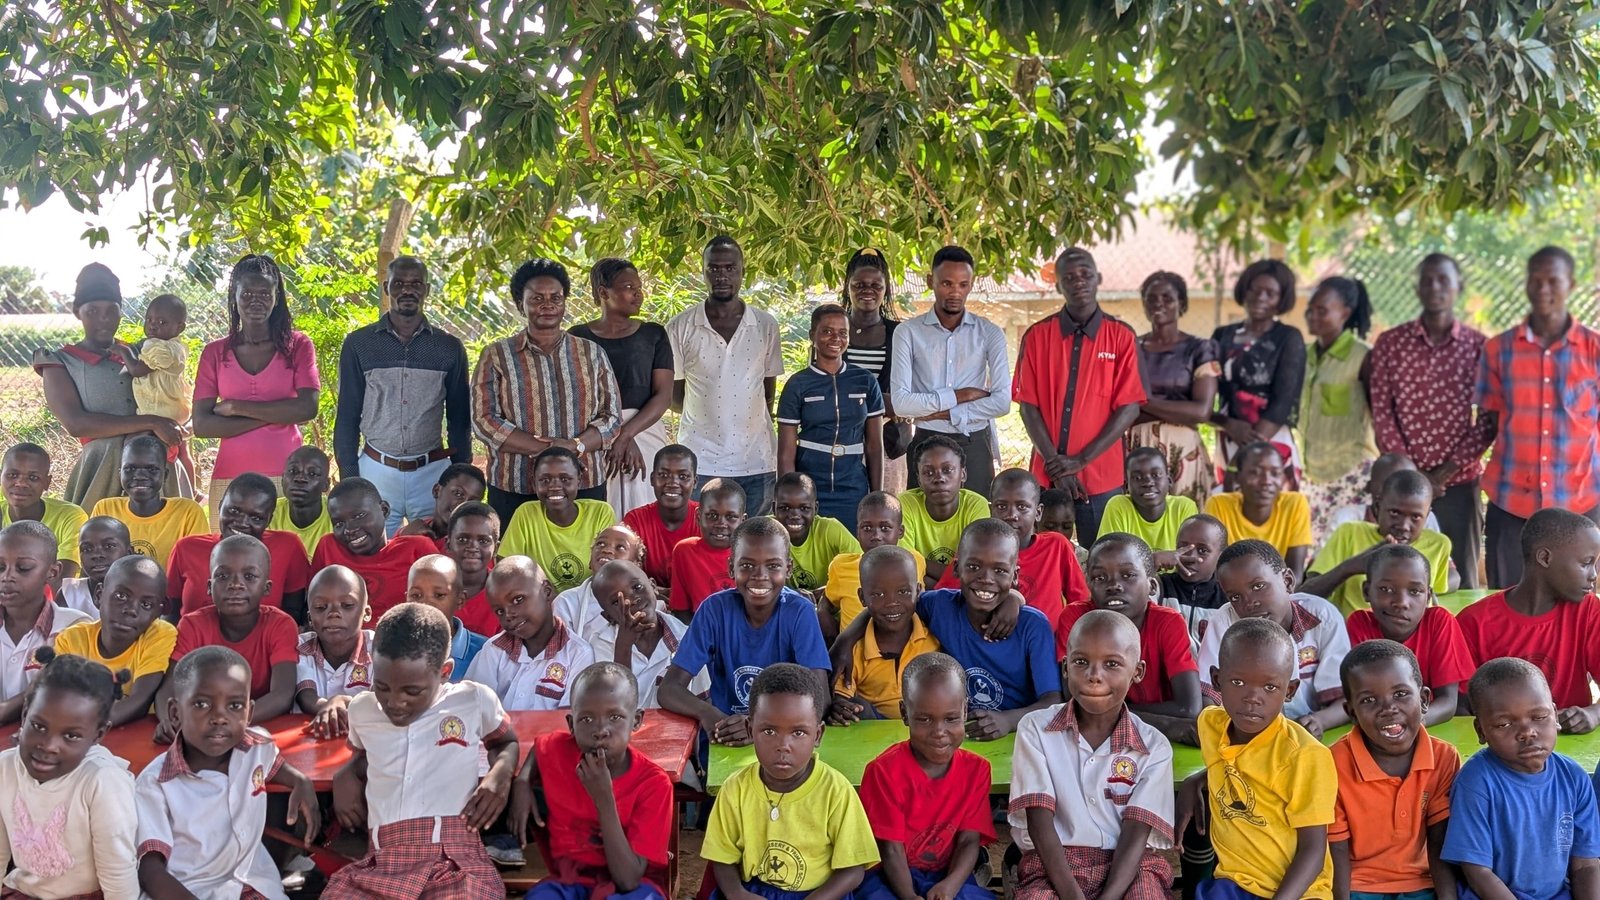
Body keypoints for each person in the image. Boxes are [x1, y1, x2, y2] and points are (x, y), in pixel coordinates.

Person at [326, 603, 520, 900]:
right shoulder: (363, 709)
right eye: (382, 687)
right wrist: (346, 773)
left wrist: (501, 775)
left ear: (444, 672)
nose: (395, 702)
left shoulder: (472, 700)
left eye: (411, 691)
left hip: (453, 859)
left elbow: (506, 742)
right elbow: (365, 756)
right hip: (381, 863)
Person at [841, 519, 1061, 741]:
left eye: (1000, 570)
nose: (986, 579)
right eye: (974, 567)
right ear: (956, 567)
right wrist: (845, 641)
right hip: (954, 739)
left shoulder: (1032, 627)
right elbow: (893, 605)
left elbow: (1053, 702)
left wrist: (1008, 720)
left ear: (1015, 576)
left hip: (1016, 739)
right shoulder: (940, 606)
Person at [1010, 610, 1176, 899]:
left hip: (1130, 867)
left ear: (1137, 671)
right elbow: (1039, 820)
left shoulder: (1153, 747)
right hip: (1055, 864)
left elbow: (1136, 831)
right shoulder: (1036, 729)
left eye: (1112, 664)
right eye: (1081, 662)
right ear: (1065, 667)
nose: (1094, 676)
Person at [135, 645, 319, 900]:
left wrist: (300, 781)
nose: (220, 717)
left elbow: (273, 765)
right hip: (188, 890)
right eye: (201, 704)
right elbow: (150, 870)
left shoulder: (256, 747)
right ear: (175, 713)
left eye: (234, 705)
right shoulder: (155, 784)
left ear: (249, 713)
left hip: (253, 883)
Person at [1177, 618, 1336, 900]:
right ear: (1216, 680)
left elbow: (1312, 850)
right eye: (1238, 682)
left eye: (1270, 688)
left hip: (1299, 891)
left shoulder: (1304, 756)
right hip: (1235, 882)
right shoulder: (1211, 725)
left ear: (1290, 690)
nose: (1252, 698)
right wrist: (1196, 780)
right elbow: (1237, 763)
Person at [1369, 253, 1495, 590]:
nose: (1435, 287)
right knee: (1395, 570)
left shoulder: (1479, 347)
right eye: (1427, 280)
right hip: (1402, 489)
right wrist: (1412, 474)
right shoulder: (1391, 344)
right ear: (1417, 287)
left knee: (1461, 577)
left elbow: (1487, 421)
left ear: (1459, 287)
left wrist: (1443, 473)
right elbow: (1382, 411)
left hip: (1457, 483)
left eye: (1443, 280)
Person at [702, 663, 879, 900]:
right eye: (769, 731)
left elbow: (853, 869)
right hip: (754, 892)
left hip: (820, 895)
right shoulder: (735, 789)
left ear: (818, 735)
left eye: (798, 733)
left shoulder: (836, 791)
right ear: (749, 728)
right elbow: (722, 857)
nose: (783, 745)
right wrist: (736, 894)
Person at [1478, 246, 1600, 587]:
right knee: (1506, 603)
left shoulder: (1595, 350)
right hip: (1511, 503)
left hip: (1581, 504)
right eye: (1536, 280)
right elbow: (1489, 421)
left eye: (1553, 280)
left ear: (1571, 284)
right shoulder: (1498, 350)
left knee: (1579, 613)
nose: (1543, 289)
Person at [473, 257, 623, 521]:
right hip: (516, 484)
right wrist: (543, 449)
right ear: (521, 304)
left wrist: (574, 446)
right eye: (537, 299)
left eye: (556, 298)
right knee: (516, 561)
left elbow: (611, 417)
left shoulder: (591, 353)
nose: (548, 306)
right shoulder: (496, 355)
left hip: (583, 482)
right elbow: (484, 420)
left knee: (583, 559)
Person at [512, 662, 676, 900]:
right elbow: (542, 747)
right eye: (586, 720)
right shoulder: (561, 751)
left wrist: (604, 799)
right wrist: (523, 781)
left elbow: (628, 880)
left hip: (633, 888)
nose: (601, 730)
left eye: (615, 717)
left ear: (637, 720)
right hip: (569, 882)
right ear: (571, 725)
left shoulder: (653, 784)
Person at [1015, 248, 1147, 544]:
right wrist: (1056, 464)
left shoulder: (1122, 336)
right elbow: (1028, 407)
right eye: (1069, 277)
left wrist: (1080, 461)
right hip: (1046, 476)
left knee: (1103, 557)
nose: (1079, 282)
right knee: (1042, 557)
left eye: (1086, 274)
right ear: (1059, 285)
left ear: (1098, 278)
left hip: (1102, 478)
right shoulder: (1037, 336)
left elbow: (1129, 408)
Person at [659, 518, 832, 741]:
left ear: (788, 568)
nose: (760, 576)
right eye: (747, 565)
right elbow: (669, 689)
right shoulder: (714, 610)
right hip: (726, 735)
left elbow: (821, 698)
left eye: (773, 566)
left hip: (782, 737)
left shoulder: (800, 613)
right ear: (731, 567)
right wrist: (709, 714)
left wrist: (758, 725)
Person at [334, 256, 473, 534]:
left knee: (436, 551)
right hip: (376, 469)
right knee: (374, 554)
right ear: (387, 288)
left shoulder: (449, 347)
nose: (407, 290)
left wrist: (460, 475)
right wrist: (350, 476)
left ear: (427, 290)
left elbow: (459, 419)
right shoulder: (359, 344)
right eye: (399, 283)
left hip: (431, 472)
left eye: (415, 284)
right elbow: (348, 414)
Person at [33, 262, 187, 509]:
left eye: (111, 310)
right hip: (102, 468)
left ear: (121, 311)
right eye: (92, 311)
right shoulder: (61, 361)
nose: (103, 319)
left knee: (164, 538)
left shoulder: (143, 353)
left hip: (155, 466)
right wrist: (151, 422)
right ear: (76, 311)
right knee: (99, 541)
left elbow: (172, 396)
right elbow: (76, 423)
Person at [1444, 658, 1600, 899]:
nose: (1527, 732)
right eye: (1504, 723)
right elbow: (1477, 871)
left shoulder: (1574, 777)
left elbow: (1586, 864)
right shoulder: (1476, 782)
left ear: (1555, 716)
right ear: (1481, 731)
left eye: (1539, 717)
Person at [193, 253, 321, 523]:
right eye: (247, 292)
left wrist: (236, 408)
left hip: (287, 476)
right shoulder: (215, 352)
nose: (256, 300)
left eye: (264, 292)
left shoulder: (298, 345)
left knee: (285, 556)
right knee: (229, 559)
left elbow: (308, 408)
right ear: (234, 295)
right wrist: (279, 413)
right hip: (230, 475)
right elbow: (203, 425)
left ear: (277, 297)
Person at [2, 649, 139, 900]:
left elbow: (118, 871)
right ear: (24, 715)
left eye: (71, 736)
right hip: (23, 891)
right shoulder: (5, 768)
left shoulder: (102, 782)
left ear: (98, 735)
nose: (49, 745)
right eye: (38, 726)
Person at [1329, 640, 1461, 899]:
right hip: (1358, 886)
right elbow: (1338, 851)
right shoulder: (1334, 762)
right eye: (1369, 700)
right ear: (1351, 712)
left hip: (1423, 884)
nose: (1388, 708)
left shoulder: (1443, 757)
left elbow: (1439, 843)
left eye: (1400, 694)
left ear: (1424, 700)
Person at [856, 653, 994, 900]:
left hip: (945, 873)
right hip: (889, 875)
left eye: (951, 718)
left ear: (965, 710)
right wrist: (909, 896)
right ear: (905, 713)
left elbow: (968, 841)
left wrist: (950, 886)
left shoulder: (977, 770)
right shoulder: (883, 772)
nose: (939, 732)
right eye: (925, 719)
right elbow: (891, 850)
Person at [667, 236, 784, 515]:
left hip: (757, 460)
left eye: (730, 268)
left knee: (755, 544)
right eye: (714, 268)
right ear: (703, 272)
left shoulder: (765, 325)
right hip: (700, 461)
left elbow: (768, 393)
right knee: (703, 542)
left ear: (743, 272)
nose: (722, 276)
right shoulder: (680, 327)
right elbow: (674, 397)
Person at [1456, 507, 1600, 729]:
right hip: (1503, 752)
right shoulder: (1474, 622)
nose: (1594, 576)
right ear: (1544, 558)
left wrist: (1594, 714)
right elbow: (1462, 708)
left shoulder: (1588, 610)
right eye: (1586, 563)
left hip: (1573, 748)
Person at [1198, 540, 1352, 739]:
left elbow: (1345, 700)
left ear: (1288, 581)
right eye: (1235, 597)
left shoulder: (1323, 618)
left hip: (1311, 735)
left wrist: (1319, 721)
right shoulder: (1224, 622)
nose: (1250, 603)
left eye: (1258, 586)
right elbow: (1209, 698)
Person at [891, 245, 1012, 496]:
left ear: (971, 284)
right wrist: (960, 394)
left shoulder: (990, 333)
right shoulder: (908, 333)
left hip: (974, 442)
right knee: (922, 525)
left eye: (963, 284)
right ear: (930, 281)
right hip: (925, 441)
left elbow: (1001, 403)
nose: (955, 292)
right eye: (946, 283)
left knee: (978, 526)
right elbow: (902, 404)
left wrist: (945, 412)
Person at [1058, 534, 1200, 741]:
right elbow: (1076, 703)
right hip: (1101, 736)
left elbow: (1189, 708)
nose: (1114, 585)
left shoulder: (1168, 623)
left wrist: (1106, 710)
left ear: (1152, 586)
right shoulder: (1076, 619)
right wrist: (1166, 724)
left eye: (1128, 575)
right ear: (1088, 583)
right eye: (1100, 577)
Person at [159, 534, 299, 736]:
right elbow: (169, 687)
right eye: (223, 576)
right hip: (203, 731)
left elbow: (282, 694)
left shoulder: (280, 625)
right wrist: (167, 720)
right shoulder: (193, 624)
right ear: (209, 587)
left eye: (249, 576)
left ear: (267, 588)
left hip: (260, 728)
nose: (235, 584)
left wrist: (229, 722)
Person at [931, 468, 1089, 640]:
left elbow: (1079, 604)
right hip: (985, 646)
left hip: (1046, 647)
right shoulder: (976, 548)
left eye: (1022, 507)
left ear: (1038, 512)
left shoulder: (1056, 546)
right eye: (1002, 507)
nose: (1012, 515)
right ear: (991, 510)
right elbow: (945, 602)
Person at [571, 258, 676, 516]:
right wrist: (613, 436)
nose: (638, 293)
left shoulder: (654, 334)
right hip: (594, 433)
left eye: (639, 287)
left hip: (645, 428)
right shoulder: (577, 337)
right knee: (600, 507)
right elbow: (576, 397)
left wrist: (626, 435)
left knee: (644, 502)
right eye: (629, 286)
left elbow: (663, 396)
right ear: (603, 292)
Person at [778, 304, 884, 533]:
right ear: (812, 335)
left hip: (853, 487)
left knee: (851, 557)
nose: (835, 338)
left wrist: (876, 497)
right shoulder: (797, 384)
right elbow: (786, 452)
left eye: (842, 332)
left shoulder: (865, 381)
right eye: (826, 331)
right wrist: (789, 502)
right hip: (809, 491)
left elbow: (874, 447)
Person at [1344, 545, 1476, 726]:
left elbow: (1448, 702)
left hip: (1427, 728)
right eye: (1386, 589)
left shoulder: (1439, 622)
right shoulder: (1359, 624)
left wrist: (1405, 725)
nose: (1401, 603)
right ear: (1367, 591)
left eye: (1415, 591)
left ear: (1428, 596)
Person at [1302, 468, 1455, 617]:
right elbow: (1304, 596)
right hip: (1355, 638)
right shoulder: (1349, 533)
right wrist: (1352, 566)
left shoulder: (1439, 544)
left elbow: (1433, 597)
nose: (1403, 526)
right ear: (1377, 506)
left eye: (1415, 517)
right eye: (1395, 513)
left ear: (1427, 515)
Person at [1210, 259, 1307, 490]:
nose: (1260, 297)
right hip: (1229, 436)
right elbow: (1204, 394)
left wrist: (1244, 456)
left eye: (1270, 293)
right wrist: (1228, 424)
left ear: (1281, 299)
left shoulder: (1288, 338)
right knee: (1228, 514)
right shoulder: (1222, 336)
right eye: (1255, 289)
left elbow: (1283, 402)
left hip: (1270, 445)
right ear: (1245, 289)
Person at [563, 559, 709, 709]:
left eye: (637, 587)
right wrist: (623, 646)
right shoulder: (598, 645)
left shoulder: (685, 637)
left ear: (653, 586)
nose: (631, 600)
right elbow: (614, 706)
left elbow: (702, 698)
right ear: (608, 616)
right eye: (616, 601)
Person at [167, 472, 312, 620]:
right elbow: (170, 614)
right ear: (220, 505)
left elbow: (294, 612)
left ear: (268, 520)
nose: (242, 523)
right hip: (193, 642)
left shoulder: (288, 547)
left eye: (255, 517)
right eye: (234, 510)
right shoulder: (186, 549)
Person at [1299, 276, 1379, 542]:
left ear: (1345, 312)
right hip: (1310, 476)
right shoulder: (1304, 356)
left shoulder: (1362, 357)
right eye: (1311, 308)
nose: (1312, 315)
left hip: (1351, 476)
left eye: (1322, 310)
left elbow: (1379, 416)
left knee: (1338, 549)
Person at [54, 554, 177, 726]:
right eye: (121, 596)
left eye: (146, 605)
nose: (131, 610)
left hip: (129, 737)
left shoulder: (159, 635)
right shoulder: (72, 638)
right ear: (99, 595)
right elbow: (55, 696)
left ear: (159, 612)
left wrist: (82, 727)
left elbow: (140, 700)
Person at [1131, 271, 1221, 507]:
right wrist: (1180, 410)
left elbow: (1202, 411)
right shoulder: (1130, 347)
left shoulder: (1200, 349)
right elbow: (1116, 406)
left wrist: (1140, 402)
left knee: (1187, 524)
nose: (1158, 303)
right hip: (1136, 450)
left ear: (1181, 303)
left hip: (1184, 451)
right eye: (1151, 298)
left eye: (1167, 297)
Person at [465, 556, 596, 711]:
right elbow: (473, 710)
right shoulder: (493, 650)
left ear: (547, 592)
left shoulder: (578, 654)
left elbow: (568, 719)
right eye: (500, 611)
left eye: (517, 600)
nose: (509, 615)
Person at [829, 546, 941, 723]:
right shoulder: (854, 650)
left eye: (903, 592)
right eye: (878, 594)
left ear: (918, 591)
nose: (892, 603)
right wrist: (841, 706)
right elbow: (841, 696)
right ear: (862, 597)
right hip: (875, 733)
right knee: (860, 707)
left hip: (927, 727)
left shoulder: (935, 638)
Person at [111, 292, 201, 496]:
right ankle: (191, 490)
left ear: (179, 328)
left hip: (160, 408)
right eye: (149, 319)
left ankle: (146, 489)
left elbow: (137, 370)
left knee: (145, 446)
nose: (152, 325)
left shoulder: (161, 349)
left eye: (161, 322)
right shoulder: (174, 346)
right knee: (182, 450)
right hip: (174, 405)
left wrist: (123, 351)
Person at [0, 522, 90, 724]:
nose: (7, 577)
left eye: (23, 568)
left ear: (53, 572)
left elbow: (63, 692)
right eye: (0, 567)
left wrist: (7, 709)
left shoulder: (75, 627)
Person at [312, 477, 438, 619]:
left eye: (359, 516)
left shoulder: (417, 549)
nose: (350, 529)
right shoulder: (329, 547)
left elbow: (441, 605)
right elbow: (312, 603)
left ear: (384, 510)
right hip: (341, 639)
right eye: (339, 523)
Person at [500, 447, 620, 592]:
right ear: (534, 483)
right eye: (545, 480)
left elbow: (612, 567)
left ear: (579, 481)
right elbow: (507, 565)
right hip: (542, 601)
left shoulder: (600, 512)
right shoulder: (526, 513)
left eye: (565, 479)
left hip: (591, 599)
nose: (555, 486)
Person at [840, 248, 911, 493]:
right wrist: (883, 402)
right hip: (841, 440)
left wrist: (899, 404)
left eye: (875, 285)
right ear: (848, 286)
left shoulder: (899, 334)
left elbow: (910, 390)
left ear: (886, 289)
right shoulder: (832, 330)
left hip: (889, 443)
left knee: (886, 513)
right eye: (859, 284)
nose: (867, 290)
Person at [89, 435, 209, 569]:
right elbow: (92, 564)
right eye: (130, 469)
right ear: (119, 474)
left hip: (172, 590)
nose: (140, 476)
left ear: (165, 475)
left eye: (151, 469)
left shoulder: (187, 512)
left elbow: (197, 568)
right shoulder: (106, 509)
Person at [820, 492, 927, 640]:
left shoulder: (913, 561)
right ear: (857, 532)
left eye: (885, 528)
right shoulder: (841, 566)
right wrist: (822, 612)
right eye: (867, 528)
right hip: (855, 653)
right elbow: (829, 600)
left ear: (900, 532)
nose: (876, 535)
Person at [1205, 442, 1313, 582]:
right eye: (1255, 472)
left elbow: (1295, 573)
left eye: (1275, 473)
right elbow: (1213, 569)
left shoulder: (1294, 504)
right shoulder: (1219, 505)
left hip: (1278, 596)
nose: (1266, 481)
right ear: (1238, 477)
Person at [294, 565, 374, 739]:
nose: (334, 613)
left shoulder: (379, 649)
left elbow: (380, 701)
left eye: (347, 605)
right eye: (321, 607)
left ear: (366, 613)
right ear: (309, 618)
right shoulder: (300, 646)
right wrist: (330, 704)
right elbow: (305, 696)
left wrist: (342, 702)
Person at [900, 435, 991, 587]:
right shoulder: (905, 503)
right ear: (919, 479)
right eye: (928, 472)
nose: (939, 478)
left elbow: (974, 569)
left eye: (947, 470)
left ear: (963, 474)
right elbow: (904, 564)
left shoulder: (975, 505)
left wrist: (921, 565)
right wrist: (952, 580)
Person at [2, 442, 87, 580]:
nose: (21, 483)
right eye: (12, 475)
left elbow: (62, 579)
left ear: (47, 482)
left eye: (33, 478)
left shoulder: (70, 516)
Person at [622, 444, 701, 590]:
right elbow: (625, 573)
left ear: (694, 482)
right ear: (652, 479)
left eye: (683, 476)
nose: (673, 483)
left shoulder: (707, 519)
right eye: (664, 475)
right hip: (648, 601)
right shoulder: (635, 521)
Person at [1098, 447, 1201, 555]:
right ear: (1127, 486)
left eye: (1156, 475)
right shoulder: (1118, 506)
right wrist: (1156, 560)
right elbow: (1111, 557)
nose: (1148, 482)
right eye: (1137, 478)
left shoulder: (1183, 507)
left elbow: (1191, 556)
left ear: (1169, 481)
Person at [549, 525, 646, 638]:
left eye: (620, 547)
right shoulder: (567, 603)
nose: (607, 550)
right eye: (600, 544)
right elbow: (563, 651)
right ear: (590, 560)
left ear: (636, 565)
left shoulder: (645, 603)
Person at [772, 473, 862, 595]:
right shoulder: (766, 532)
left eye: (804, 508)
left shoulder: (830, 529)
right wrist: (793, 597)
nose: (794, 516)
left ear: (816, 508)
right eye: (785, 508)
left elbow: (862, 567)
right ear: (773, 508)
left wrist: (827, 592)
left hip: (829, 607)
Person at [666, 478, 746, 615]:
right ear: (698, 516)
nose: (721, 524)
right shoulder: (685, 551)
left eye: (731, 517)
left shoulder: (751, 554)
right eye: (712, 515)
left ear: (742, 521)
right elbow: (681, 612)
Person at [405, 553, 487, 683]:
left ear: (460, 600)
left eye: (439, 595)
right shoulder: (395, 646)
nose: (426, 604)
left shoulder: (485, 652)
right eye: (416, 595)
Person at [1325, 453, 1443, 536]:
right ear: (1369, 487)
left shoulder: (1425, 520)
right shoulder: (1347, 520)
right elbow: (1319, 568)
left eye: (1406, 485)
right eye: (1388, 484)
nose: (1397, 492)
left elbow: (1444, 565)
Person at [1161, 514, 1230, 645]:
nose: (1191, 557)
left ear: (1221, 556)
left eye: (1203, 550)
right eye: (1183, 548)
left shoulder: (1227, 598)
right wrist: (1153, 563)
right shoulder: (1160, 587)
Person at [395, 462, 487, 549]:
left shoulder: (473, 548)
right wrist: (403, 537)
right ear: (436, 490)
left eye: (472, 502)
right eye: (458, 494)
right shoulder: (414, 530)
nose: (463, 505)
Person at [445, 501, 502, 637]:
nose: (472, 547)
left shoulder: (503, 595)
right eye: (463, 539)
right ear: (448, 544)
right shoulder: (434, 588)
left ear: (496, 549)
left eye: (483, 541)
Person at [58, 515, 133, 618]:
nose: (97, 555)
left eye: (109, 546)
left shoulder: (142, 593)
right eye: (87, 549)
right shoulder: (69, 593)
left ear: (129, 553)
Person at [269, 445, 334, 554]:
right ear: (282, 479)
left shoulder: (336, 516)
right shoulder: (270, 512)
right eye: (293, 471)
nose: (300, 479)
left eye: (312, 473)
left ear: (325, 485)